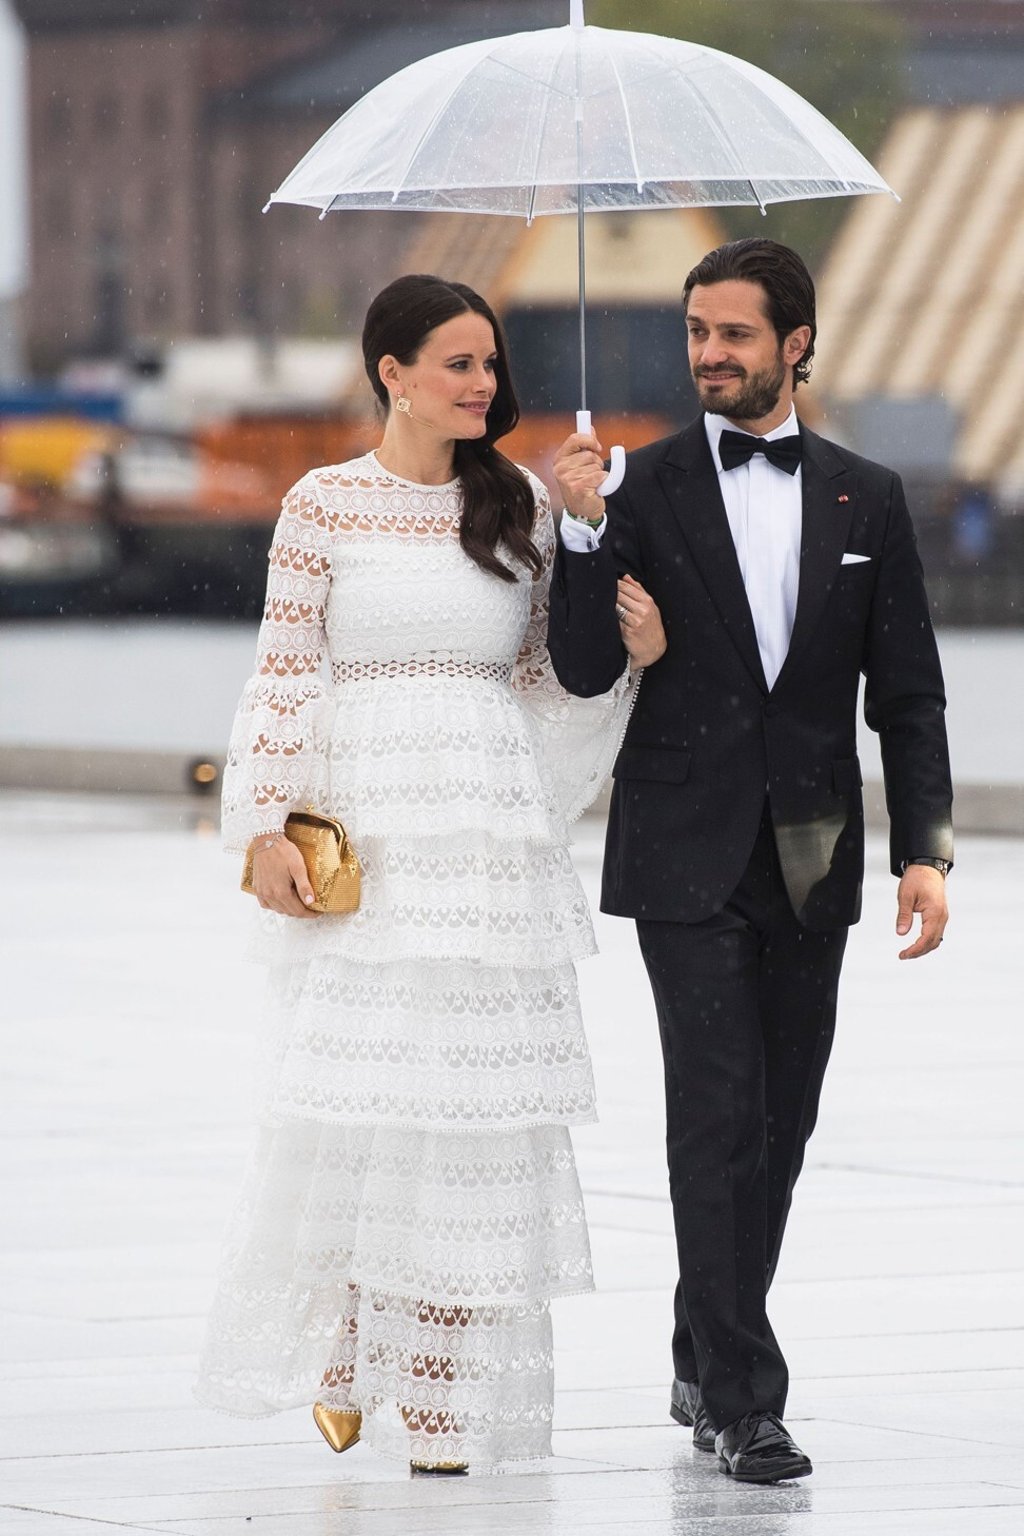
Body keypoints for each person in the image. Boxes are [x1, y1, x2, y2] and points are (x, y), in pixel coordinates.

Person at [194, 274, 665, 1473]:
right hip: (366, 828)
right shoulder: (320, 505)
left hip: (486, 838)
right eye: (457, 363)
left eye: (490, 364)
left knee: (475, 1118)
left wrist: (627, 655)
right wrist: (261, 823)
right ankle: (355, 1326)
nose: (482, 383)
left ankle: (445, 1380)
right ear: (390, 371)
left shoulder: (512, 503)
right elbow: (285, 669)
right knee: (371, 1099)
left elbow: (545, 685)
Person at [547, 239, 953, 1485]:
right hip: (682, 850)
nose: (707, 355)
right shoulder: (639, 488)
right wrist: (577, 535)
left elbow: (911, 695)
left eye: (732, 334)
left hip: (817, 848)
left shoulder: (866, 497)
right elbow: (578, 667)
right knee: (714, 1117)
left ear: (797, 344)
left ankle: (697, 1340)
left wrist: (925, 854)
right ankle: (742, 1399)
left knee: (780, 1124)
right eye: (694, 333)